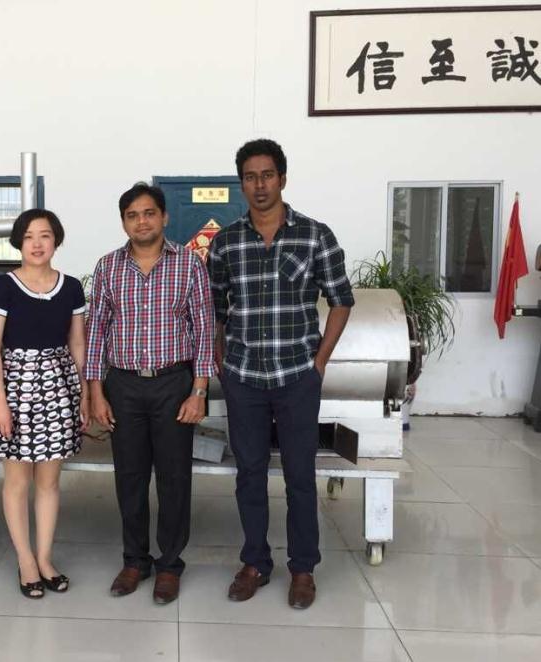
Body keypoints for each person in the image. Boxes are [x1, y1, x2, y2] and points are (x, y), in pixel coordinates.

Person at [208, 139, 354, 610]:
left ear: (283, 179)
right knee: (249, 474)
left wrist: (319, 362)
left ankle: (303, 568)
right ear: (241, 184)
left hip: (297, 376)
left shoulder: (315, 235)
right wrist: (222, 360)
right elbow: (215, 308)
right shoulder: (226, 242)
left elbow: (341, 301)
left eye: (267, 175)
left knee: (299, 477)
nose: (260, 185)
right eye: (250, 177)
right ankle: (255, 562)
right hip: (244, 376)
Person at [86, 182, 215, 605]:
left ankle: (170, 564)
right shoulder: (108, 267)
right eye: (132, 215)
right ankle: (135, 560)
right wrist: (96, 391)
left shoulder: (189, 265)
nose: (141, 222)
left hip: (173, 384)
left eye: (148, 213)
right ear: (123, 222)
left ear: (164, 217)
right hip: (122, 385)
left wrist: (199, 391)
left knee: (174, 477)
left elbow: (204, 330)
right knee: (130, 476)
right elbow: (96, 331)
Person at [0, 208, 89, 599]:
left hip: (59, 387)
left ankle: (44, 558)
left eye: (44, 235)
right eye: (28, 237)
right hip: (14, 389)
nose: (37, 243)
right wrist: (0, 402)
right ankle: (25, 560)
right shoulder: (4, 287)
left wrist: (83, 392)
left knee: (49, 481)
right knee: (17, 481)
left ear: (55, 240)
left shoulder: (71, 287)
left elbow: (77, 343)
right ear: (18, 243)